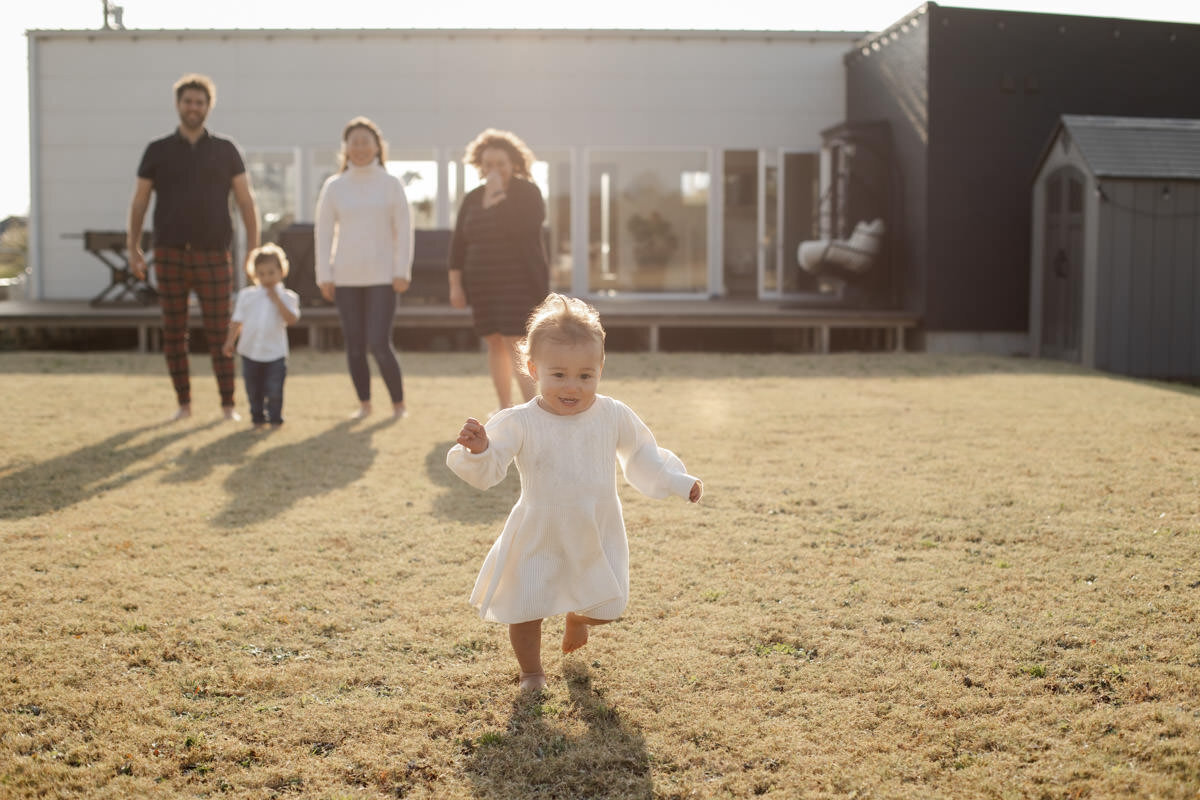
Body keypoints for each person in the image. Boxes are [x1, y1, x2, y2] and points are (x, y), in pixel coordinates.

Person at [446, 293, 703, 692]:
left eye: (585, 375)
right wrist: (480, 449)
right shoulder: (520, 421)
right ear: (533, 369)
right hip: (539, 527)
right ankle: (532, 671)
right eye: (559, 374)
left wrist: (678, 481)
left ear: (601, 369)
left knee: (608, 605)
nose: (573, 386)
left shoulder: (612, 414)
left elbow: (643, 453)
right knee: (526, 607)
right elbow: (491, 464)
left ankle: (580, 619)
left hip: (595, 526)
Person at [127, 73, 260, 421]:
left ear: (208, 106)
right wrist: (133, 247)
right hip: (169, 252)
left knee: (221, 331)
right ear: (178, 105)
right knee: (174, 330)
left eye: (200, 102)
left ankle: (228, 405)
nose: (193, 107)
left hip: (214, 252)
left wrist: (254, 250)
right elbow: (139, 202)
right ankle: (184, 405)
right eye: (188, 101)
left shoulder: (226, 150)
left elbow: (246, 202)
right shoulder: (157, 150)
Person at [448, 129, 550, 416]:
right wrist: (456, 285)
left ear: (513, 164)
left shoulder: (527, 193)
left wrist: (497, 197)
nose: (494, 170)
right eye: (488, 164)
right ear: (480, 166)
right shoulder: (472, 198)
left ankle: (532, 408)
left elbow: (521, 229)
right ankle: (504, 406)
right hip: (482, 282)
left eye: (500, 164)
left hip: (517, 281)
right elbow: (458, 243)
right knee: (493, 340)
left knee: (515, 340)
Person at [222, 244, 301, 429]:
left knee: (274, 390)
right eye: (261, 273)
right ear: (254, 274)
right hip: (250, 353)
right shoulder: (246, 296)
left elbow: (291, 320)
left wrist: (277, 300)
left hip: (275, 354)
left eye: (271, 273)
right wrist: (229, 341)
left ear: (281, 271)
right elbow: (236, 321)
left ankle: (275, 419)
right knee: (253, 389)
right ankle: (257, 419)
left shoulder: (289, 297)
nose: (266, 278)